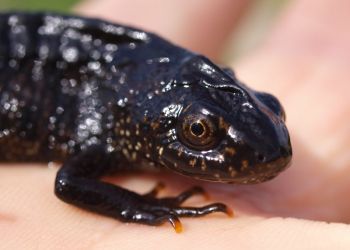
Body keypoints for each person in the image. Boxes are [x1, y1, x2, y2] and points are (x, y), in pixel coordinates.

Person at [1, 0, 350, 248]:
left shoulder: (136, 97)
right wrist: (141, 206)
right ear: (150, 127)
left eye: (272, 110)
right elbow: (70, 183)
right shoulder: (118, 120)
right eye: (199, 132)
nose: (269, 151)